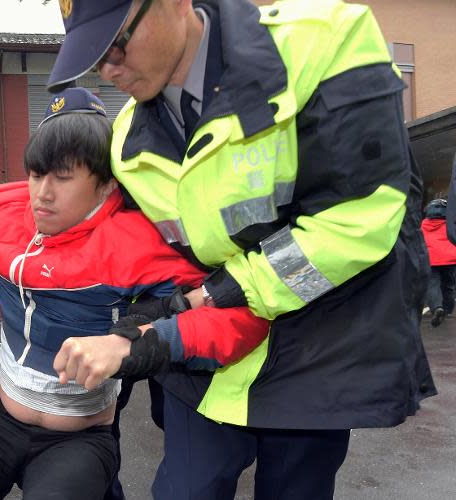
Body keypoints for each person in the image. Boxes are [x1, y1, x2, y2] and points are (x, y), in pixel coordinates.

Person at [47, 1, 437, 499]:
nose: (110, 70)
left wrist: (216, 295)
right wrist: (152, 315)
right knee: (185, 489)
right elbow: (153, 251)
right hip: (210, 346)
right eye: (94, 60)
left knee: (294, 487)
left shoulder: (322, 42)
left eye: (116, 43)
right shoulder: (127, 142)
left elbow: (362, 218)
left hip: (319, 332)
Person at [0, 87, 270, 500]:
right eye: (36, 173)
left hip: (79, 440)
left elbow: (242, 315)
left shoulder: (138, 241)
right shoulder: (1, 206)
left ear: (104, 185)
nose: (42, 193)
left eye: (63, 177)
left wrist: (145, 343)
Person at [421, 198, 456, 327]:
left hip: (432, 259)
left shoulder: (424, 224)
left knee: (432, 284)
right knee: (449, 284)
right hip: (450, 258)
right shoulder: (450, 224)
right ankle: (448, 308)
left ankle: (437, 307)